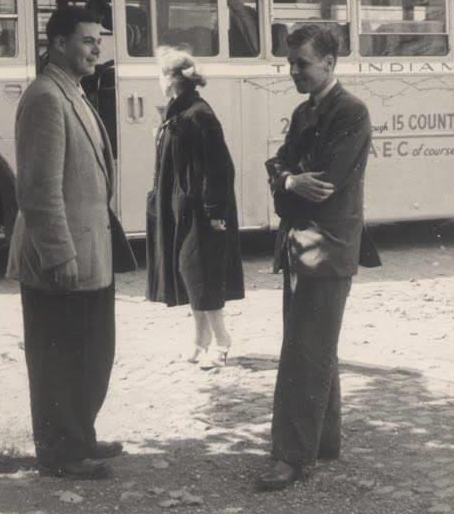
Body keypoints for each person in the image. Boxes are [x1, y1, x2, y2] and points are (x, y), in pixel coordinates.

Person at [6, 8, 137, 481]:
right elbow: (40, 189)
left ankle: (80, 434)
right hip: (61, 256)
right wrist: (59, 253)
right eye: (86, 41)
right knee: (59, 358)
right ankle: (61, 453)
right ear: (58, 44)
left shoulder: (73, 92)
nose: (96, 49)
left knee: (92, 353)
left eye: (98, 41)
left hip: (90, 253)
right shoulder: (45, 97)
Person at [255, 25, 381, 492]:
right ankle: (323, 440)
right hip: (303, 246)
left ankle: (291, 456)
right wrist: (288, 181)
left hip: (326, 248)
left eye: (301, 64)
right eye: (290, 64)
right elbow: (281, 169)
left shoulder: (351, 112)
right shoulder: (305, 111)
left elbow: (324, 183)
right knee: (312, 343)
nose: (293, 72)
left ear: (329, 63)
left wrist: (287, 182)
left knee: (304, 352)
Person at [145, 47, 245, 370]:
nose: (158, 81)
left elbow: (220, 168)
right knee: (191, 277)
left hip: (202, 212)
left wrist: (216, 212)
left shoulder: (199, 114)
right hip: (182, 209)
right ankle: (200, 341)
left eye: (161, 75)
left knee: (203, 277)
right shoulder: (178, 112)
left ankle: (223, 342)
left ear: (173, 79)